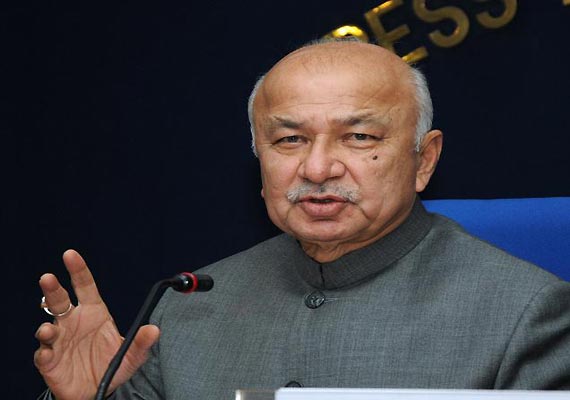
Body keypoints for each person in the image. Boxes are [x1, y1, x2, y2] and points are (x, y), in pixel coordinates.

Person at [34, 39, 570, 400]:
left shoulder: (527, 313)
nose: (317, 168)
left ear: (423, 160)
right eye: (290, 139)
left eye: (359, 137)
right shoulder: (188, 303)